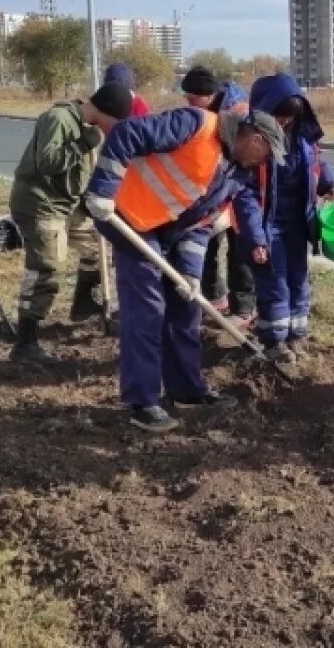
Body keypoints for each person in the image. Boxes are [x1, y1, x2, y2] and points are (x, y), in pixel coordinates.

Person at [85, 105, 285, 434]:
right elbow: (127, 132)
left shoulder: (235, 174)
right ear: (255, 140)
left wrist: (191, 273)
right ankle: (142, 402)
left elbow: (201, 225)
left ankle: (187, 390)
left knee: (186, 305)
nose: (265, 162)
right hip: (126, 214)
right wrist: (103, 189)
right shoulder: (197, 124)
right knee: (148, 306)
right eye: (267, 154)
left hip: (167, 231)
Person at [9, 82, 132, 362]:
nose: (114, 129)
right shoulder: (59, 119)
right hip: (41, 203)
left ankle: (84, 304)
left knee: (96, 246)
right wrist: (84, 143)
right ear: (106, 111)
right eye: (115, 122)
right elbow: (47, 162)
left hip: (67, 204)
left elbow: (78, 173)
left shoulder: (87, 127)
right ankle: (26, 341)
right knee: (46, 268)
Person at [246, 73, 334, 363]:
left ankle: (296, 335)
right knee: (275, 284)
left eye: (290, 117)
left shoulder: (303, 136)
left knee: (298, 280)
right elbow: (245, 196)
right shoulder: (251, 143)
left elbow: (316, 164)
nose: (285, 122)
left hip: (298, 223)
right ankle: (274, 342)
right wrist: (255, 238)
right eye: (280, 116)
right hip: (267, 227)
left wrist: (328, 184)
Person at [180, 66, 258, 327]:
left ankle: (244, 307)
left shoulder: (237, 111)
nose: (190, 104)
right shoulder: (206, 111)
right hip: (212, 187)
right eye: (187, 98)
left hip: (238, 186)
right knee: (207, 243)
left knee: (239, 248)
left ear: (208, 94)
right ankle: (214, 296)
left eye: (193, 98)